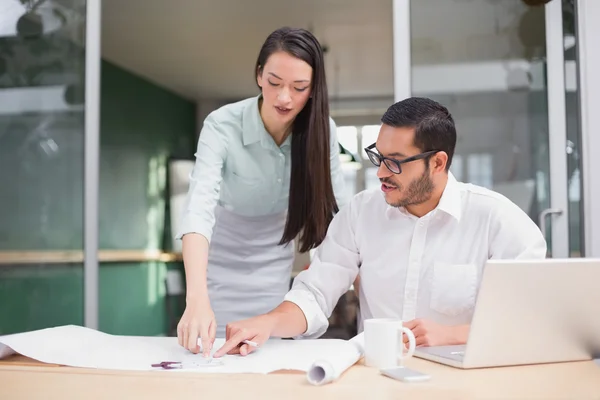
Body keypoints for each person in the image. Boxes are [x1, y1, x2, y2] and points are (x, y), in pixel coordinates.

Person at [212, 97, 547, 358]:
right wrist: (267, 322)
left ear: (438, 162)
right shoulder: (360, 214)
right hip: (379, 377)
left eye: (396, 162)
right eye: (379, 156)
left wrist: (453, 334)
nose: (381, 173)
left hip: (464, 377)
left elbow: (534, 320)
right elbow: (314, 294)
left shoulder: (496, 219)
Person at [175, 27, 348, 355]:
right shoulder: (221, 124)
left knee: (264, 352)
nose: (284, 98)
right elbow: (198, 207)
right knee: (212, 352)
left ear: (313, 90)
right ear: (258, 75)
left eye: (299, 88)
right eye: (274, 82)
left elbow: (339, 214)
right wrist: (196, 298)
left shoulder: (323, 132)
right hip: (219, 259)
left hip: (273, 258)